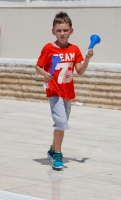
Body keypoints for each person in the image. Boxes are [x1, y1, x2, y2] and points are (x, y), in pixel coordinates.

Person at [36, 11, 94, 169]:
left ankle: (52, 149)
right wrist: (45, 74)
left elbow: (80, 71)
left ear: (71, 31)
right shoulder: (48, 48)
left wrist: (87, 58)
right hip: (54, 92)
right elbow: (38, 66)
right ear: (53, 31)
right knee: (60, 123)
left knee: (62, 123)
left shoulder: (74, 50)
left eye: (65, 30)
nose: (62, 33)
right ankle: (58, 154)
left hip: (68, 92)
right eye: (59, 30)